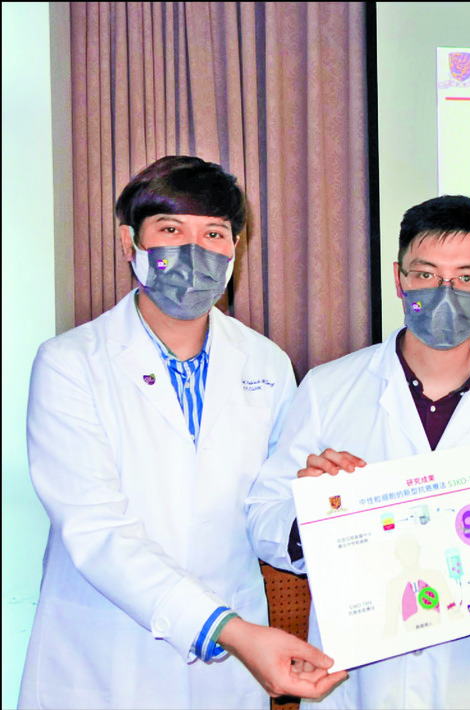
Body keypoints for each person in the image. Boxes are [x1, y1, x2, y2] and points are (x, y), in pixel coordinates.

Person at [18, 156, 346, 709]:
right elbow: (97, 531)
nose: (195, 252)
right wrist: (230, 631)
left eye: (213, 234)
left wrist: (319, 507)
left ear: (235, 248)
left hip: (227, 671)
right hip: (105, 656)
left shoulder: (265, 362)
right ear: (129, 243)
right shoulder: (71, 363)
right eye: (171, 230)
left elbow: (266, 509)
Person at [246, 195, 470, 708]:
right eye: (426, 274)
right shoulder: (328, 389)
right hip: (356, 682)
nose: (445, 293)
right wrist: (314, 518)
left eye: (467, 277)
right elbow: (263, 516)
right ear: (399, 279)